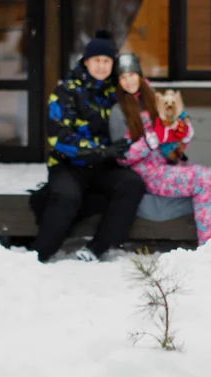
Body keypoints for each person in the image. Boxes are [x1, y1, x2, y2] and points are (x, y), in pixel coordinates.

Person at [31, 30, 146, 262]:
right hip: (68, 164)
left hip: (102, 167)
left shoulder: (116, 93)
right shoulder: (66, 92)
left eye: (106, 61)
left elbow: (141, 103)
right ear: (86, 62)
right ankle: (40, 253)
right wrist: (102, 151)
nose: (101, 66)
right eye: (96, 61)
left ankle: (98, 247)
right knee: (67, 197)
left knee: (132, 184)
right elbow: (60, 139)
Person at [109, 52, 211, 245]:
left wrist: (183, 136)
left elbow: (170, 142)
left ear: (139, 74)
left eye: (131, 75)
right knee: (203, 182)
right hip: (148, 173)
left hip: (170, 164)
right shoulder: (118, 111)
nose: (128, 81)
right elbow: (122, 157)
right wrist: (147, 143)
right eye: (123, 77)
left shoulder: (155, 101)